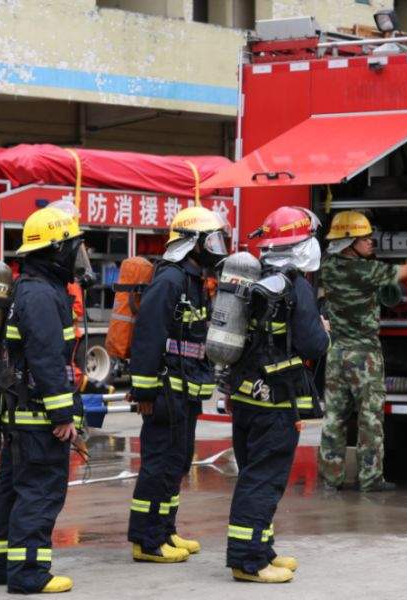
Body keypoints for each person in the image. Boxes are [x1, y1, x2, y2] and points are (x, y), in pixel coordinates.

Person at [0, 205, 89, 594]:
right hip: (37, 414)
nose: (79, 254)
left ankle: (3, 566)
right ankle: (28, 574)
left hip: (17, 410)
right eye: (74, 246)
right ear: (57, 249)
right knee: (41, 490)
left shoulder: (26, 288)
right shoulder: (43, 296)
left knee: (11, 489)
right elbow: (48, 359)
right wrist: (63, 413)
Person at [225, 206, 330, 584]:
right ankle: (248, 561)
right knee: (263, 479)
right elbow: (313, 344)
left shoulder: (255, 280)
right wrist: (324, 330)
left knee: (254, 473)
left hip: (246, 396)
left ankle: (262, 547)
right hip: (275, 403)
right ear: (301, 245)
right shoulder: (295, 286)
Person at [126, 206, 227, 563]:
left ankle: (165, 530)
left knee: (177, 463)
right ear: (193, 244)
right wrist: (145, 392)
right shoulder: (169, 280)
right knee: (159, 466)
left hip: (185, 391)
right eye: (212, 240)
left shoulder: (194, 280)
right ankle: (147, 540)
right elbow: (148, 338)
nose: (218, 247)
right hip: (166, 390)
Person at [317, 211, 407, 492]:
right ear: (349, 241)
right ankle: (370, 478)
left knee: (335, 418)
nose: (371, 241)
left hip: (337, 354)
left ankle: (331, 477)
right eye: (365, 237)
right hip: (364, 356)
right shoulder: (366, 271)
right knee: (370, 419)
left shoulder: (327, 268)